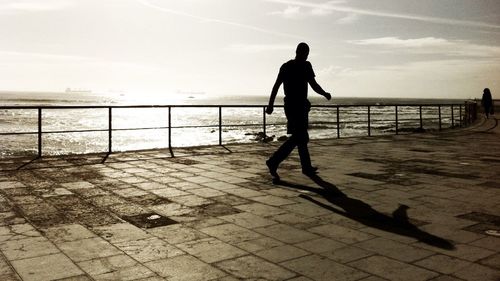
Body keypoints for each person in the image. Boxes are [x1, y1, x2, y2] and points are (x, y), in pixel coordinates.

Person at [265, 42, 332, 182]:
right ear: (300, 52)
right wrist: (270, 105)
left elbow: (313, 85)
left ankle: (306, 167)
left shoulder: (297, 66)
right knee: (299, 136)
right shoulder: (292, 66)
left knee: (301, 137)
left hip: (298, 106)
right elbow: (276, 86)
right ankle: (274, 161)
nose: (306, 56)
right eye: (305, 53)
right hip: (294, 106)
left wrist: (324, 93)